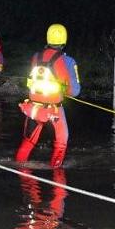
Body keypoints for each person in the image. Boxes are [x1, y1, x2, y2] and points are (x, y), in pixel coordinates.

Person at [16, 23, 81, 168]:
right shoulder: (66, 61)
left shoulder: (36, 57)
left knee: (27, 143)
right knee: (61, 142)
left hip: (33, 108)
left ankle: (21, 176)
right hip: (54, 111)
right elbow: (74, 91)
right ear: (64, 40)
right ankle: (58, 181)